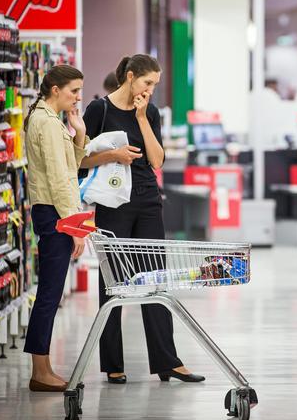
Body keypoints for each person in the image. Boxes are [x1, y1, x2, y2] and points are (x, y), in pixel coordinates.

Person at [81, 54, 204, 384]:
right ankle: (113, 364)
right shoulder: (99, 110)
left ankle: (167, 361)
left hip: (148, 199)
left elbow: (157, 160)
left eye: (155, 85)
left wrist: (142, 118)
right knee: (113, 283)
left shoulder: (149, 111)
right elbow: (79, 158)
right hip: (113, 202)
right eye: (148, 83)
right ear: (131, 76)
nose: (151, 89)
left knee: (156, 280)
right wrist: (113, 156)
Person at [23, 65, 88, 392]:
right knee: (49, 292)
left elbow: (69, 168)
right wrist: (74, 225)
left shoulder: (50, 119)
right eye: (74, 90)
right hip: (53, 213)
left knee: (51, 290)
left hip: (53, 211)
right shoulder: (46, 123)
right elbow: (60, 181)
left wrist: (79, 133)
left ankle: (43, 366)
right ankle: (39, 370)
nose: (78, 97)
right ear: (55, 90)